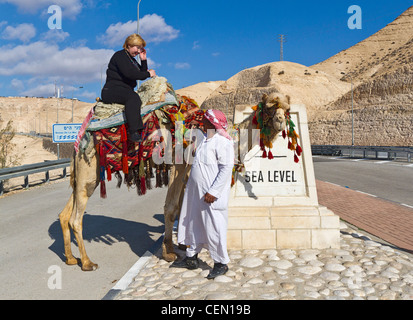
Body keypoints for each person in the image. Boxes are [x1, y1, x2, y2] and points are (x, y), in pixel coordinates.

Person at [172, 109, 235, 279]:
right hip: (195, 194)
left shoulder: (223, 142)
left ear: (211, 123)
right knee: (193, 223)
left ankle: (221, 263)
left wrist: (213, 192)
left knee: (214, 227)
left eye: (205, 121)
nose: (202, 122)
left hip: (211, 195)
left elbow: (226, 169)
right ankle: (191, 258)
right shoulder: (206, 140)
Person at [101, 34, 156, 142]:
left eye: (141, 48)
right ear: (129, 45)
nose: (139, 50)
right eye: (137, 47)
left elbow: (141, 73)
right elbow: (131, 74)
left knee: (134, 96)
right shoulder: (120, 56)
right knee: (133, 98)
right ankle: (134, 132)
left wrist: (143, 60)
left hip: (125, 90)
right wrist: (149, 74)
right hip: (112, 89)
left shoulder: (132, 60)